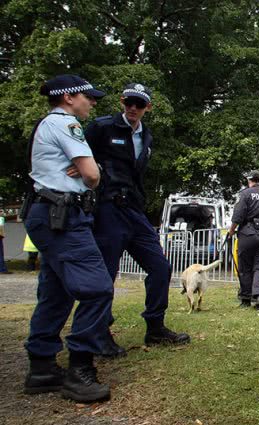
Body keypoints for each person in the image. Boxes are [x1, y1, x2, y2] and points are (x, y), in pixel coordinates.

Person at [23, 74, 112, 403]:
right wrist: (95, 170)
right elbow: (90, 175)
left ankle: (42, 366)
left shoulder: (47, 125)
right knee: (98, 289)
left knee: (56, 292)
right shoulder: (65, 124)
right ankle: (80, 369)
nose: (92, 102)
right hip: (63, 216)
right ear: (69, 97)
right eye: (88, 97)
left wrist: (91, 166)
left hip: (47, 214)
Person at [85, 83, 190, 357]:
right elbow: (79, 156)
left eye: (139, 104)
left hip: (134, 210)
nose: (133, 108)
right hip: (108, 208)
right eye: (129, 102)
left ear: (148, 107)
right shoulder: (101, 127)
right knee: (106, 273)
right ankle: (99, 333)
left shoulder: (147, 136)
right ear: (122, 102)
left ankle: (155, 326)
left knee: (161, 266)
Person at [228, 170, 259, 310]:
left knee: (245, 266)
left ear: (250, 181)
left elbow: (238, 215)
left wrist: (231, 231)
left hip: (248, 233)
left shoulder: (246, 194)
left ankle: (246, 299)